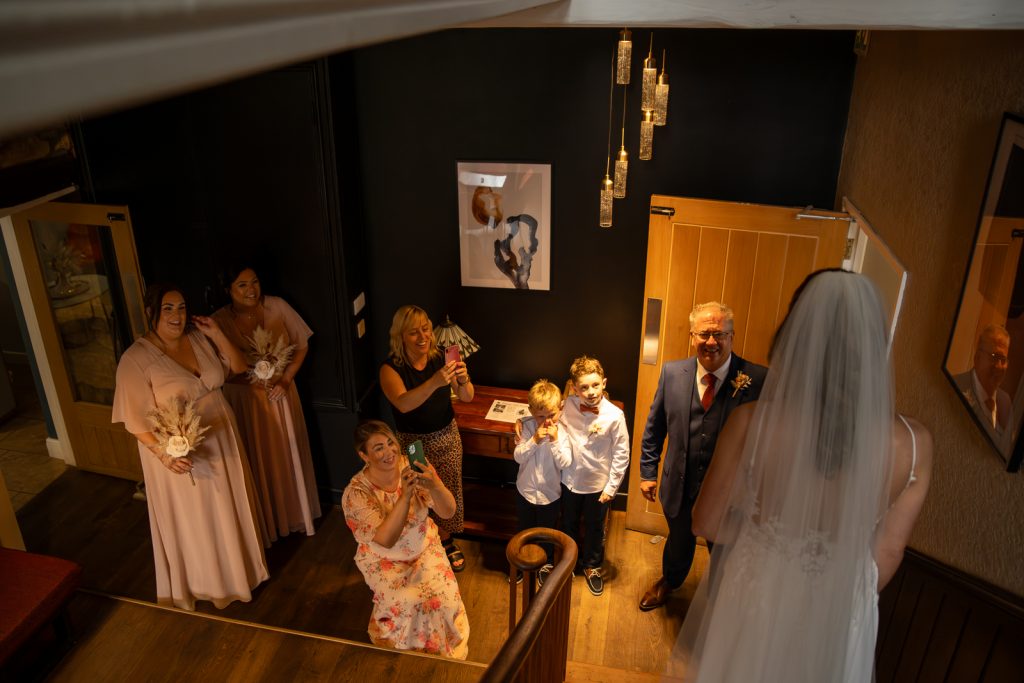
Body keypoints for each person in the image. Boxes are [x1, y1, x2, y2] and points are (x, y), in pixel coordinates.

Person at [670, 270, 933, 682]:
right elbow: (888, 553)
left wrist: (768, 544)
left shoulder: (753, 423)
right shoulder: (914, 443)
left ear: (796, 334)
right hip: (841, 613)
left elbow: (707, 522)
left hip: (758, 601)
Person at [112, 283, 269, 611]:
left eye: (181, 307)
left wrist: (216, 334)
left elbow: (238, 367)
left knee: (228, 506)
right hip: (179, 450)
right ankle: (209, 583)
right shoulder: (135, 359)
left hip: (222, 432)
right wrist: (165, 456)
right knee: (199, 517)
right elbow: (135, 422)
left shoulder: (198, 338)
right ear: (151, 311)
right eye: (168, 308)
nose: (177, 315)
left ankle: (242, 573)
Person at [637, 302, 767, 611]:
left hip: (729, 494)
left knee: (724, 552)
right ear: (692, 336)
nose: (711, 342)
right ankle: (670, 581)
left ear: (732, 336)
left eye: (719, 333)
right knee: (678, 542)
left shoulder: (759, 379)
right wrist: (647, 472)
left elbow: (768, 443)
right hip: (679, 485)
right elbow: (654, 427)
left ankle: (720, 604)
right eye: (704, 333)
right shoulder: (671, 373)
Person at [342, 420, 470, 659]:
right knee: (408, 602)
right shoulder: (357, 493)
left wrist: (435, 486)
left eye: (391, 443)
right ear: (364, 455)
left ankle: (444, 647)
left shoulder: (412, 466)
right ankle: (409, 653)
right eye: (378, 448)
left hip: (423, 545)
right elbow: (386, 540)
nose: (389, 452)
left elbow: (448, 512)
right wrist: (406, 494)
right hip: (384, 557)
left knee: (443, 598)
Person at [212, 264, 321, 542]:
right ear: (228, 290)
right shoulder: (219, 322)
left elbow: (302, 345)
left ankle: (295, 516)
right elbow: (218, 369)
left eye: (255, 282)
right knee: (257, 457)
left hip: (281, 394)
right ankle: (268, 523)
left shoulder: (277, 307)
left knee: (287, 452)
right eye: (242, 285)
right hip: (245, 400)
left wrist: (285, 380)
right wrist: (249, 380)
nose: (252, 290)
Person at [379, 305, 473, 572]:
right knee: (419, 493)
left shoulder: (444, 356)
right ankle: (422, 543)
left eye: (425, 329)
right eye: (413, 332)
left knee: (447, 490)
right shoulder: (390, 369)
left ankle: (446, 540)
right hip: (413, 441)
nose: (422, 337)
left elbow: (467, 397)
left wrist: (463, 381)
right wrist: (434, 382)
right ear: (400, 336)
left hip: (446, 435)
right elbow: (402, 404)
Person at [559, 355, 630, 597]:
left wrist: (611, 488)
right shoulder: (565, 405)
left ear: (604, 382)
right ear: (574, 387)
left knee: (594, 527)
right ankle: (567, 563)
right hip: (569, 480)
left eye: (595, 385)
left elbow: (622, 454)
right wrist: (522, 421)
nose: (591, 392)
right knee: (568, 523)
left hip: (599, 485)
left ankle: (592, 566)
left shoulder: (614, 416)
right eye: (584, 387)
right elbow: (543, 416)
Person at [513, 379, 572, 585]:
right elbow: (519, 456)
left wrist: (554, 441)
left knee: (546, 533)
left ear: (560, 409)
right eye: (540, 416)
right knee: (524, 529)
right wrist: (535, 440)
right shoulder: (528, 428)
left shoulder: (562, 432)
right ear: (530, 412)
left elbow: (565, 462)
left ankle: (545, 564)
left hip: (550, 495)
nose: (547, 422)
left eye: (552, 415)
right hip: (526, 492)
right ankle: (521, 562)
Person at [954, 324, 1012, 450]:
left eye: (1003, 359)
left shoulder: (1005, 401)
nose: (998, 366)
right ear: (977, 358)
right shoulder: (957, 386)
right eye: (994, 357)